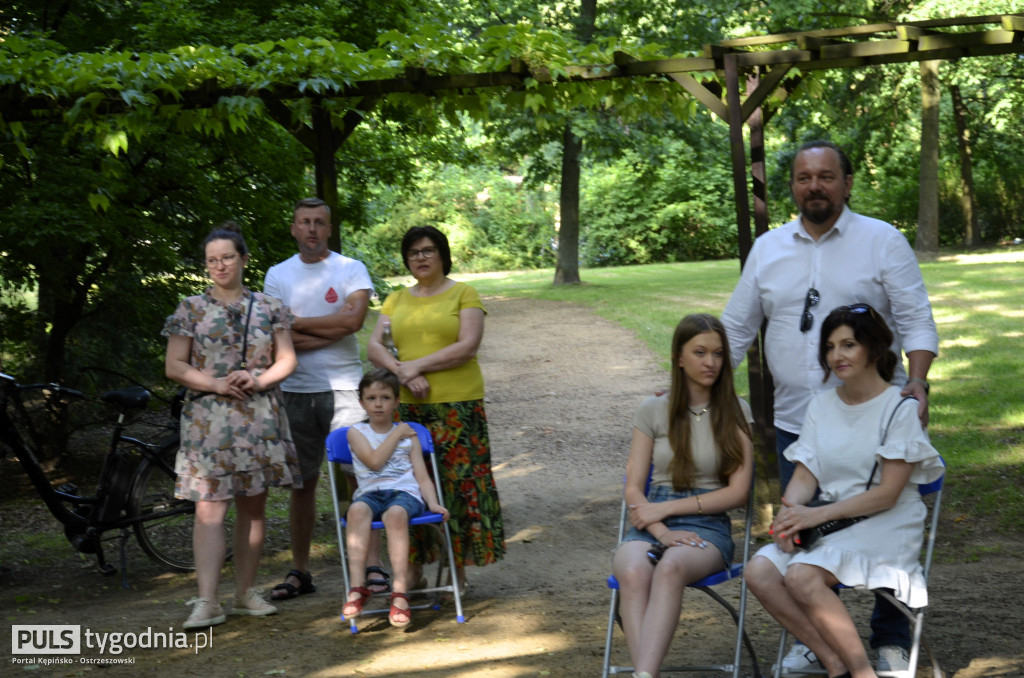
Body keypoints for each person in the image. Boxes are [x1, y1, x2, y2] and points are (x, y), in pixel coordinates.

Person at [721, 139, 939, 673]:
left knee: (877, 525)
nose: (813, 186)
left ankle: (889, 640)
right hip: (800, 419)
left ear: (846, 182)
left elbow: (915, 316)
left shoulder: (881, 241)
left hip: (872, 417)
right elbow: (735, 326)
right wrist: (685, 386)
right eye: (802, 177)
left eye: (824, 176)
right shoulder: (769, 249)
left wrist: (917, 381)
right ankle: (824, 645)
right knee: (805, 535)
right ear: (791, 186)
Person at [745, 304, 944, 678]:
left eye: (848, 344)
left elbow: (888, 494)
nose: (837, 355)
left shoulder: (898, 409)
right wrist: (791, 516)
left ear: (872, 348)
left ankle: (859, 672)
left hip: (887, 523)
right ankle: (833, 660)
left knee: (802, 575)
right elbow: (805, 476)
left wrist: (814, 515)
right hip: (834, 521)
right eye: (830, 347)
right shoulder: (821, 406)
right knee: (759, 571)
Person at [163, 222, 301, 629]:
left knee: (253, 506)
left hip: (258, 417)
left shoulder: (270, 306)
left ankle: (244, 593)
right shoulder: (190, 308)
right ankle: (207, 601)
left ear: (243, 258)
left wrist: (257, 380)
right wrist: (217, 384)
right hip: (208, 420)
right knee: (209, 508)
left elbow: (287, 359)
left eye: (227, 257)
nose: (219, 265)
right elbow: (174, 365)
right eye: (212, 260)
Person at [611, 314, 754, 678]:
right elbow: (632, 487)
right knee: (631, 569)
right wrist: (661, 530)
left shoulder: (736, 411)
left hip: (706, 524)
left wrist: (668, 509)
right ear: (678, 357)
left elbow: (738, 493)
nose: (710, 362)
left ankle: (643, 674)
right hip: (651, 521)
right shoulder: (653, 408)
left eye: (718, 354)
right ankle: (649, 674)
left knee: (672, 565)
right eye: (700, 352)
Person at [366, 225, 505, 591]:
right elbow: (375, 348)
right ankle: (412, 569)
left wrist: (417, 366)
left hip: (458, 408)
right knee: (407, 486)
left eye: (428, 250)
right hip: (408, 410)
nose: (421, 258)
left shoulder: (464, 293)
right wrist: (403, 372)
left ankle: (456, 569)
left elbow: (468, 346)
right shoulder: (396, 299)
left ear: (443, 254)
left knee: (456, 487)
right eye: (413, 253)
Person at [262, 198, 384, 601]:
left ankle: (372, 567)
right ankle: (300, 571)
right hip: (295, 390)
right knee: (303, 484)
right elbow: (275, 337)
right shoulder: (277, 275)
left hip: (345, 390)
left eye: (319, 222)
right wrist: (326, 328)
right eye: (304, 222)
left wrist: (295, 326)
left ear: (329, 229)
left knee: (358, 477)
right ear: (294, 228)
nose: (312, 229)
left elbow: (354, 322)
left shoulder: (351, 268)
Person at [341, 368, 450, 628]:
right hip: (370, 493)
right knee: (356, 511)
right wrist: (398, 434)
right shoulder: (356, 433)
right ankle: (357, 588)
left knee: (396, 514)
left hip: (405, 495)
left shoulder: (409, 436)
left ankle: (399, 593)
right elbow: (375, 462)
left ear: (397, 401)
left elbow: (423, 478)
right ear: (361, 402)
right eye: (371, 398)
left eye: (385, 397)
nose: (378, 404)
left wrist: (433, 503)